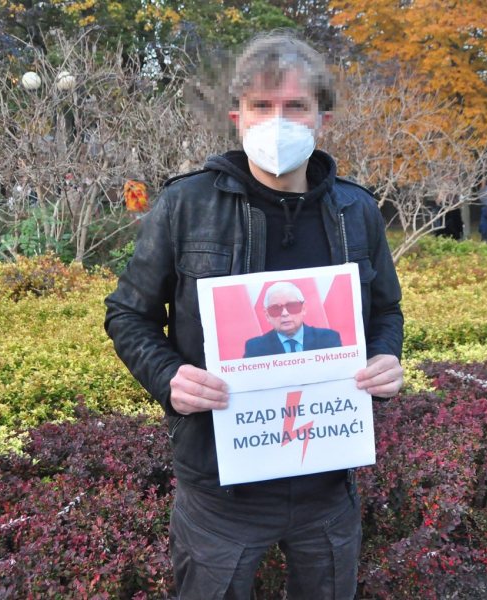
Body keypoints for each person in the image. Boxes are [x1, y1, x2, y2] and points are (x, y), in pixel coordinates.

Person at [104, 32, 404, 599]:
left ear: (322, 119)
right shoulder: (186, 205)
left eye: (295, 106)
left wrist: (386, 357)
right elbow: (127, 314)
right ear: (237, 117)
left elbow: (386, 309)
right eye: (262, 105)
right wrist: (168, 376)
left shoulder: (357, 210)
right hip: (220, 489)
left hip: (327, 484)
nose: (277, 120)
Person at [243, 281, 342, 358]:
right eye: (276, 309)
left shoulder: (328, 339)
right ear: (267, 315)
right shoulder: (254, 347)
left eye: (291, 306)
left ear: (303, 309)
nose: (284, 314)